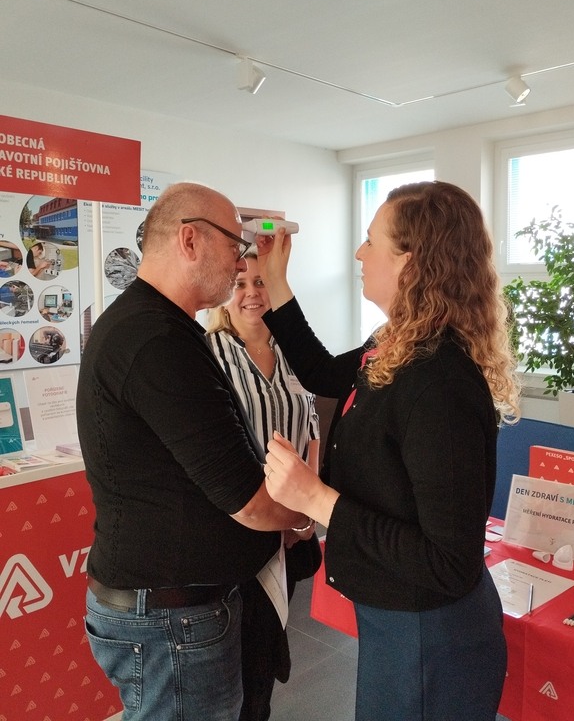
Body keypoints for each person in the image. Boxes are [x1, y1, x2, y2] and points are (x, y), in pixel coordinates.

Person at [257, 180, 521, 721]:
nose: (359, 253)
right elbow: (325, 373)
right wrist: (276, 283)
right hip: (399, 616)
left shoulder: (439, 380)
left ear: (411, 261)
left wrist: (316, 498)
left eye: (371, 241)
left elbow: (449, 562)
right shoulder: (397, 344)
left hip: (431, 633)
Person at [76, 182, 313, 721]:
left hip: (170, 605)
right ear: (190, 240)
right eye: (234, 245)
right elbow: (247, 501)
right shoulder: (155, 340)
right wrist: (306, 514)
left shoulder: (157, 327)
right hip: (171, 617)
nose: (240, 262)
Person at [205, 251, 321, 721]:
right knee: (236, 657)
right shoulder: (210, 354)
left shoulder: (293, 351)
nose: (252, 293)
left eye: (260, 282)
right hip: (239, 529)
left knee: (267, 651)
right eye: (240, 283)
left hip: (290, 532)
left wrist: (307, 512)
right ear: (224, 295)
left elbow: (312, 430)